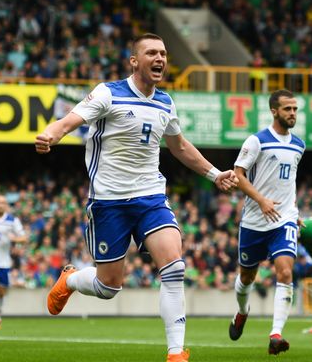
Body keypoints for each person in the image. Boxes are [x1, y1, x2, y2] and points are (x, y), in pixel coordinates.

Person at [35, 33, 238, 362]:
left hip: (150, 197)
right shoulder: (108, 93)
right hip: (108, 202)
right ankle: (71, 279)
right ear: (134, 61)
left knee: (174, 266)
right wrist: (50, 134)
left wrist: (215, 175)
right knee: (108, 287)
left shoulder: (165, 102)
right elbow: (70, 121)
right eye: (152, 53)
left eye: (164, 53)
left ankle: (175, 353)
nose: (160, 58)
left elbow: (180, 147)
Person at [227, 89, 304, 355]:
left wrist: (294, 211)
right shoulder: (257, 140)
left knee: (285, 272)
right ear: (274, 111)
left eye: (295, 109)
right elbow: (238, 174)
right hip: (254, 220)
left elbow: (288, 181)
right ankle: (241, 311)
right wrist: (261, 200)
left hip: (284, 220)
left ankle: (276, 335)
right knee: (247, 277)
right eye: (287, 109)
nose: (292, 113)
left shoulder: (299, 145)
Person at [0, 194, 26, 317]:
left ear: (6, 205)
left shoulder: (12, 221)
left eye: (2, 203)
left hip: (4, 262)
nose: (0, 205)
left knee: (2, 291)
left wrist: (14, 238)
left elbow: (24, 238)